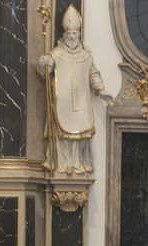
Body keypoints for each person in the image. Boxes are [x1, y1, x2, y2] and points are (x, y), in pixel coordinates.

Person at [36, 5, 112, 174]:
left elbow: (93, 74)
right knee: (62, 132)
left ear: (79, 35)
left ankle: (78, 163)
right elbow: (44, 75)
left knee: (80, 134)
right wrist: (44, 64)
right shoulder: (56, 54)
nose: (71, 37)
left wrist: (101, 90)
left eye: (74, 34)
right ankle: (63, 164)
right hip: (62, 101)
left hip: (81, 102)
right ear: (64, 35)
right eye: (69, 34)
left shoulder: (86, 55)